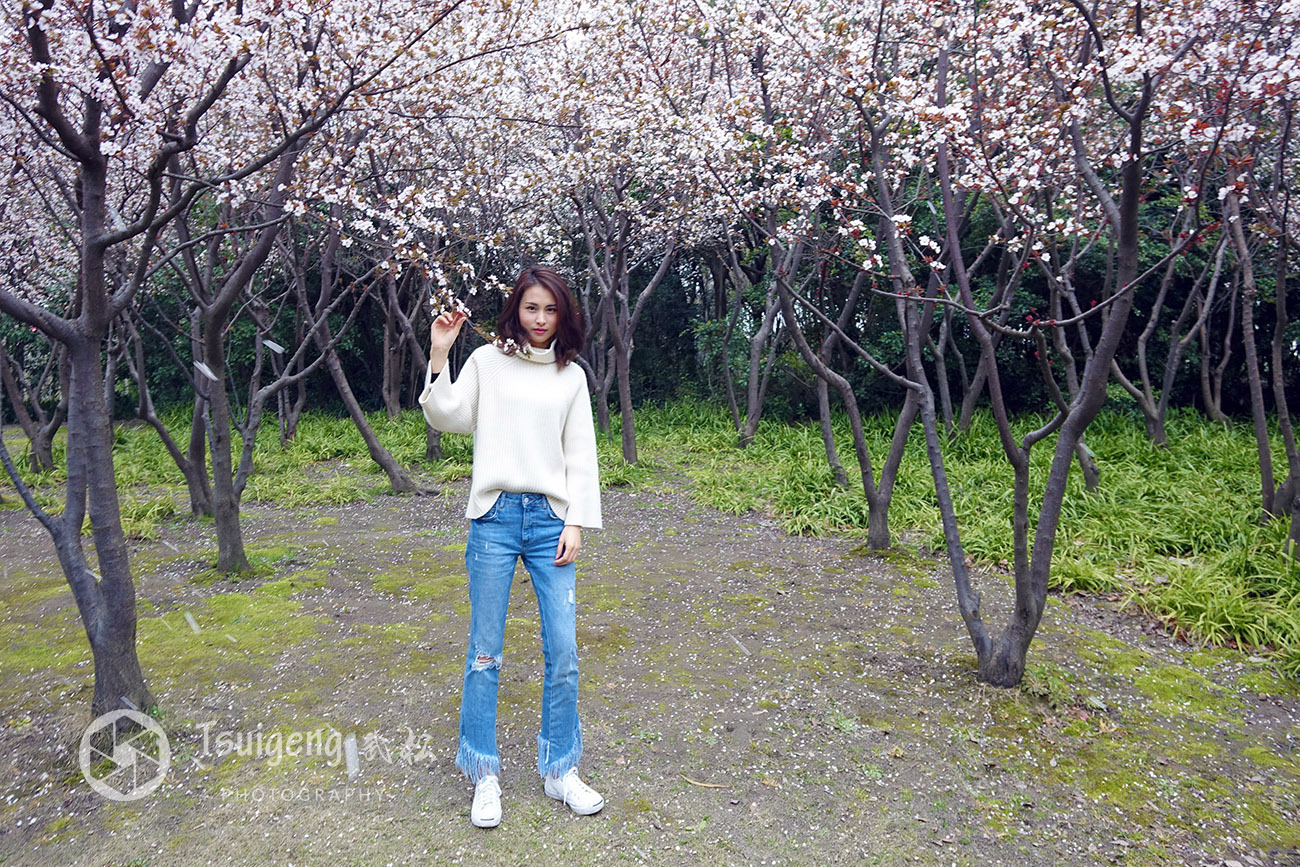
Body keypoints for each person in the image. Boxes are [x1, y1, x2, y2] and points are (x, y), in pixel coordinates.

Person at [419, 266, 604, 829]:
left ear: (563, 315)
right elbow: (449, 416)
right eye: (531, 309)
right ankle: (485, 773)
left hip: (551, 521)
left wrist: (576, 522)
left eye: (551, 310)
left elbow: (581, 454)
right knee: (485, 652)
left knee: (564, 651)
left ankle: (559, 770)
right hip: (494, 519)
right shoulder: (487, 363)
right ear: (515, 310)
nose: (541, 320)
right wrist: (438, 354)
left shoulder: (571, 376)